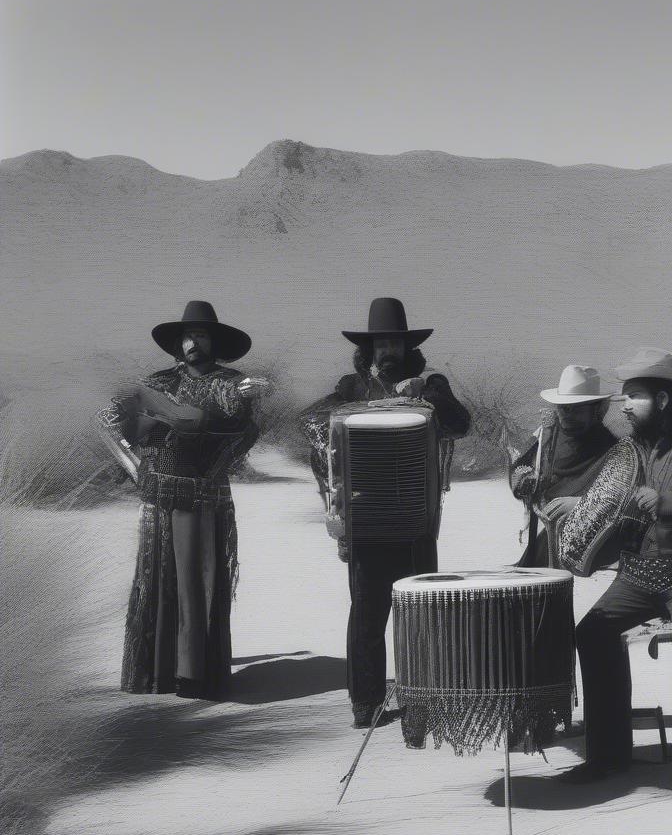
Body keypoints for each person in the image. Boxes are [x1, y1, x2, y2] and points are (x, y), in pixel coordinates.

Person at [568, 348, 672, 811]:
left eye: (633, 397)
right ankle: (608, 755)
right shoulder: (630, 451)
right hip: (637, 574)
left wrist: (667, 503)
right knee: (592, 634)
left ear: (662, 399)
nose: (624, 405)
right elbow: (603, 499)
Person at [300, 297, 471, 728]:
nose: (388, 351)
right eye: (381, 343)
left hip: (416, 519)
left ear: (407, 347)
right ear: (369, 349)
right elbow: (308, 423)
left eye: (395, 343)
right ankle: (366, 703)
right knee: (366, 615)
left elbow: (460, 422)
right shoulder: (351, 388)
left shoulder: (431, 382)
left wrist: (425, 394)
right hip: (366, 520)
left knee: (419, 613)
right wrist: (334, 477)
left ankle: (420, 700)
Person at [97, 300, 259, 700]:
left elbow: (239, 428)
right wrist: (135, 468)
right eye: (187, 336)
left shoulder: (231, 382)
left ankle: (195, 675)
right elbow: (107, 422)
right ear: (178, 343)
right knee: (156, 579)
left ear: (213, 342)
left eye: (200, 335)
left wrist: (231, 415)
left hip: (205, 495)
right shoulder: (157, 383)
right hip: (157, 496)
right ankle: (154, 673)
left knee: (199, 580)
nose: (192, 343)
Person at [509, 365, 617, 567]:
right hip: (547, 526)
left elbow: (616, 497)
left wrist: (582, 503)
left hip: (590, 535)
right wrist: (526, 480)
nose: (567, 415)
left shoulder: (611, 450)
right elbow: (520, 467)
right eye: (563, 408)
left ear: (596, 410)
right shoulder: (547, 436)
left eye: (577, 410)